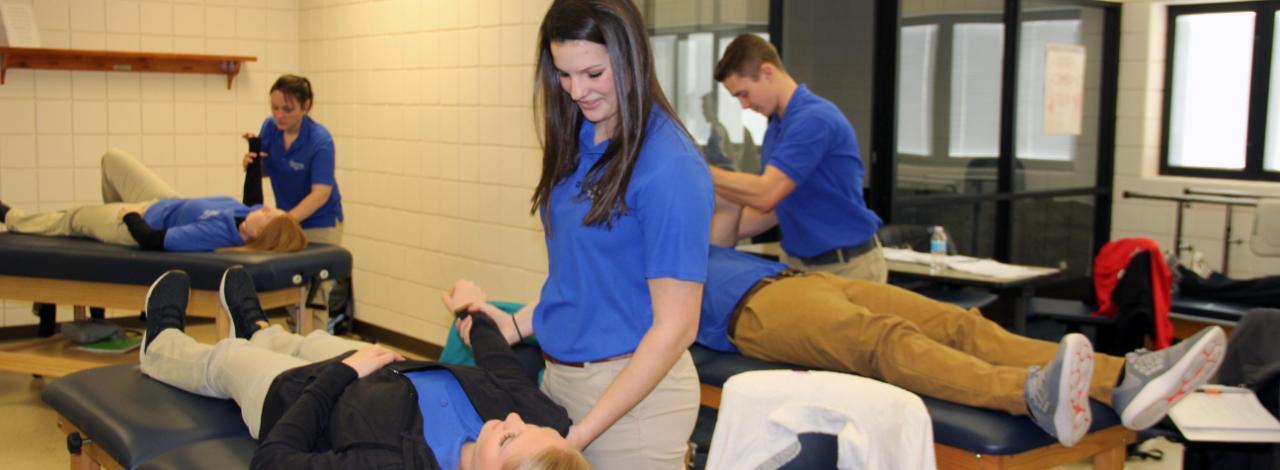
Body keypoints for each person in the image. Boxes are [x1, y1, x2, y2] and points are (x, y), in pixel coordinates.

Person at [686, 197, 1229, 447]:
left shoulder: (657, 217)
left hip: (791, 277)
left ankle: (1123, 378)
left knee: (958, 323)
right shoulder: (610, 261)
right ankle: (1029, 393)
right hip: (747, 311)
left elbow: (725, 227)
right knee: (883, 342)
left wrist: (710, 179)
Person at [444, 1, 713, 467]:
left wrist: (580, 435)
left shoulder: (671, 166)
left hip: (634, 405)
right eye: (564, 75)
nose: (576, 91)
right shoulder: (584, 136)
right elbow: (584, 276)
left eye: (592, 73)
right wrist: (514, 324)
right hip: (559, 381)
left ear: (631, 58)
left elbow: (676, 328)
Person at [137, 267, 590, 470]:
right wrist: (472, 312)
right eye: (523, 424)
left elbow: (273, 463)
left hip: (297, 398)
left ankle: (160, 345)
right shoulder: (544, 424)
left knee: (228, 359)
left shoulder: (394, 464)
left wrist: (344, 375)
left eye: (510, 436)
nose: (512, 419)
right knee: (307, 339)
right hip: (379, 370)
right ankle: (257, 328)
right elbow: (505, 371)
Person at [710, 33, 886, 282]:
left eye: (744, 94)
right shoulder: (777, 126)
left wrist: (702, 172)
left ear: (767, 72)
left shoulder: (814, 119)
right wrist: (717, 230)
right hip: (798, 264)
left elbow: (764, 194)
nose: (744, 105)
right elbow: (775, 208)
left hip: (845, 267)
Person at [0, 148, 305, 253]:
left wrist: (129, 215)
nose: (264, 207)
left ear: (257, 233)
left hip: (140, 221)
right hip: (164, 202)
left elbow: (152, 241)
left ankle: (11, 216)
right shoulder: (247, 216)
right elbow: (253, 198)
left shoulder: (217, 233)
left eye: (268, 214)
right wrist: (252, 159)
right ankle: (100, 236)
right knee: (113, 160)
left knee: (73, 217)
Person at [242, 74, 344, 245]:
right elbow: (270, 168)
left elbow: (321, 194)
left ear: (306, 105)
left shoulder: (320, 141)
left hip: (318, 224)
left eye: (287, 109)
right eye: (274, 107)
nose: (279, 115)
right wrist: (252, 166)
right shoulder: (270, 127)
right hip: (287, 219)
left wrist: (284, 221)